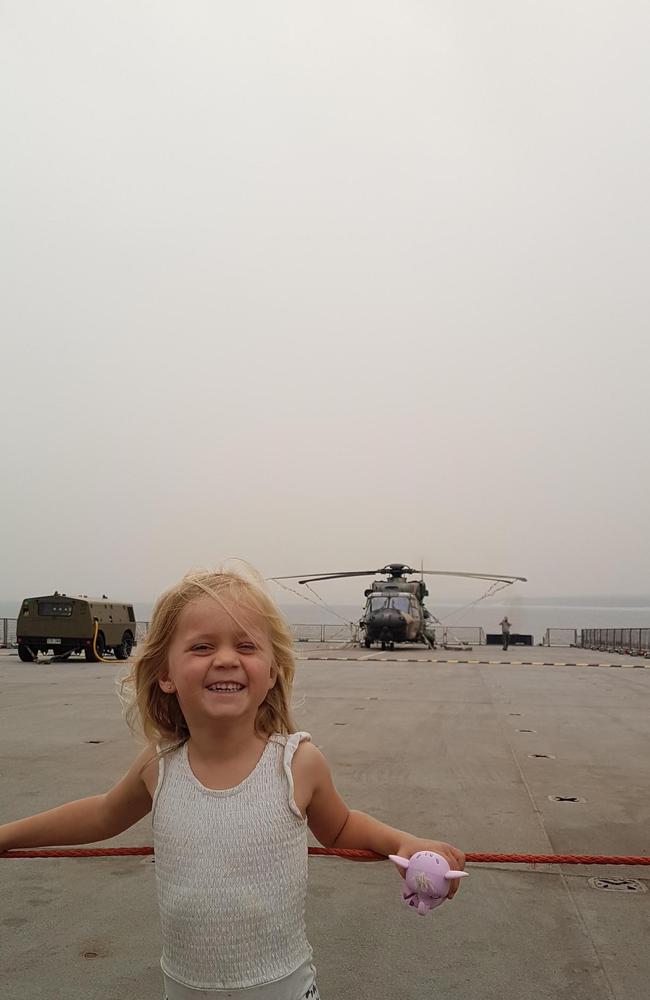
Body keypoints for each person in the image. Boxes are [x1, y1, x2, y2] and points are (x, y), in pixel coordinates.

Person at [0, 568, 465, 1000]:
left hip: (283, 985)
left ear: (272, 671)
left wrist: (405, 842)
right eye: (202, 648)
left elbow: (342, 829)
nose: (225, 659)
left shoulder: (297, 763)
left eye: (246, 647)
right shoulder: (158, 766)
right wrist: (7, 837)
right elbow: (101, 815)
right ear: (165, 674)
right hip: (183, 987)